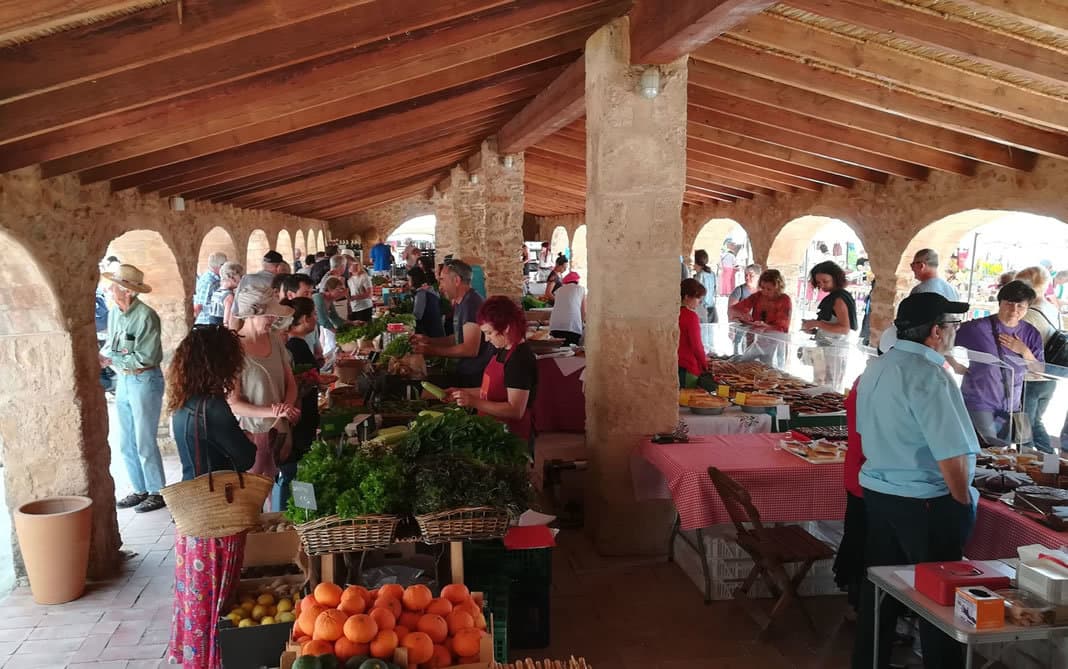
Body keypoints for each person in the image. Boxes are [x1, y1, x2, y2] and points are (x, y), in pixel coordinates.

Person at [851, 292, 977, 669]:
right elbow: (951, 453)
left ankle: (869, 659)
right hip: (923, 499)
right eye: (952, 326)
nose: (953, 332)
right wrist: (961, 501)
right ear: (936, 332)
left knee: (883, 588)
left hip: (879, 490)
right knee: (937, 598)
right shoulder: (929, 376)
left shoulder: (879, 366)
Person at [166, 325, 257, 669]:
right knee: (218, 598)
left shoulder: (183, 404)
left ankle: (195, 658)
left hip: (190, 515)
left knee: (195, 599)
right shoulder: (214, 409)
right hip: (218, 515)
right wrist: (247, 437)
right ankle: (213, 661)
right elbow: (244, 458)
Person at [99, 264, 168, 513]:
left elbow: (146, 357)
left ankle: (157, 491)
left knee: (144, 440)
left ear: (128, 291)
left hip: (144, 379)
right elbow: (116, 344)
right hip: (125, 380)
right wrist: (105, 355)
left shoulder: (147, 317)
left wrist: (112, 359)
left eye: (115, 285)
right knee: (125, 441)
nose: (109, 289)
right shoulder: (116, 312)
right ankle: (140, 488)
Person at [953, 280, 1044, 447]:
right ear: (1000, 302)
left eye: (1020, 306)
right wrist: (953, 364)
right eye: (1009, 304)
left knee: (1003, 453)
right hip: (979, 400)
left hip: (1010, 406)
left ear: (1027, 308)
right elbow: (941, 341)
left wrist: (1024, 351)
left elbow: (1039, 371)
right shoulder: (977, 328)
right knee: (992, 446)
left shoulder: (1030, 333)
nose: (1014, 310)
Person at [227, 283, 300, 485]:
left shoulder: (275, 340)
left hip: (280, 431)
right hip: (252, 434)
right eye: (269, 315)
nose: (274, 319)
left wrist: (286, 407)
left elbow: (290, 382)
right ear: (251, 314)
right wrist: (274, 412)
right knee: (255, 493)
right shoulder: (234, 349)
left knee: (277, 488)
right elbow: (234, 403)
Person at [448, 296, 538, 443]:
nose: (486, 339)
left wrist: (472, 401)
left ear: (507, 327)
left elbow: (515, 410)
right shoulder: (503, 349)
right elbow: (490, 390)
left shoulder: (519, 359)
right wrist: (460, 392)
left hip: (511, 438)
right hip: (494, 430)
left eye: (489, 333)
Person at [412, 260, 492, 388]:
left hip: (474, 376)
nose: (440, 286)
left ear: (456, 280)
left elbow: (470, 349)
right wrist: (429, 341)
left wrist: (432, 350)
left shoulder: (471, 304)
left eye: (443, 280)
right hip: (465, 371)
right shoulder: (462, 302)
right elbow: (458, 337)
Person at [277, 297, 319, 510]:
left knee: (298, 470)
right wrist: (309, 382)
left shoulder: (294, 346)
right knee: (294, 472)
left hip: (300, 417)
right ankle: (292, 516)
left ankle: (301, 514)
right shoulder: (293, 348)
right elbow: (292, 385)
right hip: (296, 419)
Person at [1016, 266, 1060, 453]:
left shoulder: (1029, 315)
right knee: (1034, 423)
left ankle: (1037, 470)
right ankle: (1047, 467)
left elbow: (1016, 349)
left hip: (1030, 378)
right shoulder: (1051, 309)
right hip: (1048, 377)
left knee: (1024, 428)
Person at [802, 261, 858, 390]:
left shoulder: (839, 299)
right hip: (825, 349)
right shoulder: (833, 297)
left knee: (830, 387)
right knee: (819, 383)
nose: (821, 285)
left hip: (834, 351)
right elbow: (831, 325)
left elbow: (844, 328)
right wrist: (815, 331)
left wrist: (816, 323)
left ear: (835, 278)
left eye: (825, 281)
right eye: (819, 282)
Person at [728, 269, 791, 366]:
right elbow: (736, 309)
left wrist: (766, 326)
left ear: (778, 287)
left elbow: (782, 325)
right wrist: (743, 315)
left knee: (771, 368)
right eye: (763, 288)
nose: (765, 292)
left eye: (769, 289)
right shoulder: (758, 296)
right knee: (748, 365)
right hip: (756, 337)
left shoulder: (784, 299)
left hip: (775, 341)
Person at [678, 278, 708, 388]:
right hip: (687, 366)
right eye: (697, 298)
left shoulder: (673, 314)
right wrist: (705, 364)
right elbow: (697, 346)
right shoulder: (691, 317)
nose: (699, 301)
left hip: (673, 364)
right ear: (686, 297)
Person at [549, 272, 586, 346]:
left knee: (558, 350)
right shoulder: (581, 289)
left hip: (555, 326)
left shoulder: (559, 290)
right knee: (571, 351)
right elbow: (583, 310)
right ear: (577, 281)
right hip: (572, 326)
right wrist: (581, 325)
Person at [205, 261, 243, 327]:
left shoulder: (216, 292)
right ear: (232, 277)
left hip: (212, 329)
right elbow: (227, 322)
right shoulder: (229, 296)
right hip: (221, 332)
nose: (241, 279)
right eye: (240, 276)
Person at [409, 266, 444, 337]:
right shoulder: (430, 289)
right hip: (438, 332)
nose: (408, 282)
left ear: (414, 280)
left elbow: (417, 316)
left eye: (409, 280)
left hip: (429, 335)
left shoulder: (421, 293)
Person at [193, 252, 226, 325]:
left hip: (215, 320)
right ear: (220, 266)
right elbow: (199, 305)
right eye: (225, 264)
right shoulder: (208, 281)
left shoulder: (217, 279)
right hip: (206, 322)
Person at [693, 249, 718, 323]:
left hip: (702, 308)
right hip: (712, 306)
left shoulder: (700, 275)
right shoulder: (712, 273)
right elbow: (714, 289)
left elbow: (697, 293)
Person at [347, 257, 374, 323]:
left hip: (364, 307)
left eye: (350, 264)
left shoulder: (364, 276)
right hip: (353, 308)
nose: (348, 266)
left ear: (357, 264)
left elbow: (369, 294)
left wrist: (354, 297)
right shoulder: (348, 278)